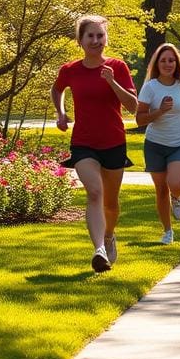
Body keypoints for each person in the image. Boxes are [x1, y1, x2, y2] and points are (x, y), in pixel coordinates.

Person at [52, 15, 138, 273]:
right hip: (84, 142)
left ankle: (109, 235)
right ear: (80, 40)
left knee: (111, 203)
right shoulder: (70, 70)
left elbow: (133, 106)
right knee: (94, 192)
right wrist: (60, 112)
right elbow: (57, 89)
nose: (95, 40)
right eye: (90, 35)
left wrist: (111, 81)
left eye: (100, 35)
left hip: (113, 141)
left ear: (105, 39)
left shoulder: (118, 67)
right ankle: (99, 249)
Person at [136, 43, 180, 245]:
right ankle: (167, 231)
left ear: (177, 63)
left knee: (176, 185)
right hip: (154, 144)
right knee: (161, 189)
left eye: (171, 60)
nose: (168, 64)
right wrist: (160, 111)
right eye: (163, 60)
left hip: (179, 143)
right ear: (157, 63)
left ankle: (177, 197)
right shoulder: (150, 87)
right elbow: (140, 119)